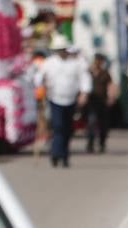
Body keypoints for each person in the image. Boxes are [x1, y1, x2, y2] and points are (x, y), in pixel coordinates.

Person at [37, 36, 91, 167]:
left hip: (71, 99)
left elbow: (84, 78)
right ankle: (56, 153)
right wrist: (41, 84)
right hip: (55, 98)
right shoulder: (49, 63)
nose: (61, 52)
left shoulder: (76, 63)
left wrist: (84, 93)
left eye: (62, 49)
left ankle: (64, 155)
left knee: (67, 129)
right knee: (58, 126)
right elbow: (38, 78)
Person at [86, 53, 114, 154]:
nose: (98, 62)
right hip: (91, 102)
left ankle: (102, 144)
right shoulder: (88, 72)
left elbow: (110, 85)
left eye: (100, 60)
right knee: (91, 123)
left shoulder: (105, 73)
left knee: (103, 125)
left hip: (102, 102)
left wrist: (111, 97)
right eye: (96, 60)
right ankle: (90, 144)